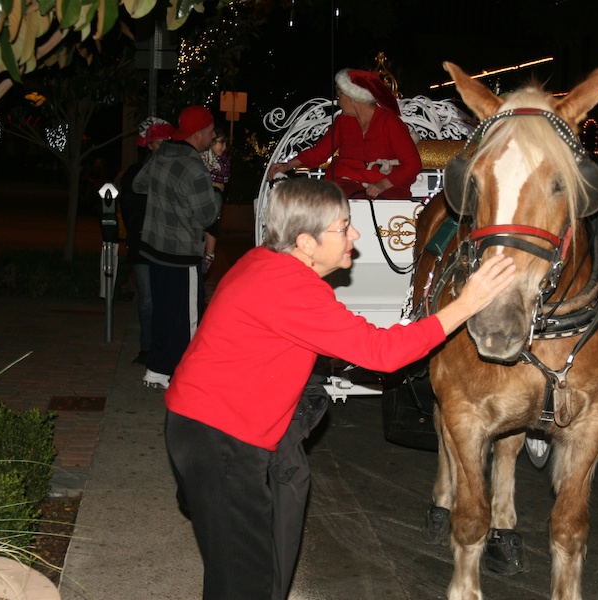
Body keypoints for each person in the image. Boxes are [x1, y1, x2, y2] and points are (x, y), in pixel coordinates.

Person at [163, 178, 515, 599]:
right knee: (244, 582)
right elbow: (381, 354)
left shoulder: (264, 262)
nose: (355, 235)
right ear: (306, 243)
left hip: (200, 426)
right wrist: (468, 303)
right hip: (220, 441)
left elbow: (324, 335)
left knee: (241, 568)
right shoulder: (292, 288)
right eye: (343, 226)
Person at [133, 106, 221, 390]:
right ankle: (187, 377)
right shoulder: (194, 167)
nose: (212, 136)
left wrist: (168, 193)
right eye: (210, 131)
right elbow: (208, 216)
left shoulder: (163, 154)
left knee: (163, 312)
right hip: (181, 254)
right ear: (198, 134)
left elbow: (139, 184)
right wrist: (217, 191)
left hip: (154, 249)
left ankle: (158, 370)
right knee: (187, 319)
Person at [267, 68, 422, 199]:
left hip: (386, 186)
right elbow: (319, 152)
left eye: (339, 96)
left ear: (352, 98)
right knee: (325, 199)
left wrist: (383, 184)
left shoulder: (390, 122)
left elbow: (413, 164)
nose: (338, 101)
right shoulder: (343, 121)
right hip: (347, 182)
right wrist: (287, 166)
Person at [119, 117, 173, 365]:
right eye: (158, 141)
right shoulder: (134, 173)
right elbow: (130, 209)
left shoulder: (173, 172)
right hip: (143, 245)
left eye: (166, 141)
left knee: (165, 298)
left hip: (167, 245)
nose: (163, 146)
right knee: (148, 299)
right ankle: (147, 348)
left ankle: (163, 348)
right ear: (149, 144)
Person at [200, 127, 231, 273]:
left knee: (212, 224)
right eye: (220, 143)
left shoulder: (223, 161)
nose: (224, 148)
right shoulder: (200, 156)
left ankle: (209, 254)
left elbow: (223, 179)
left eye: (225, 144)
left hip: (212, 198)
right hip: (200, 199)